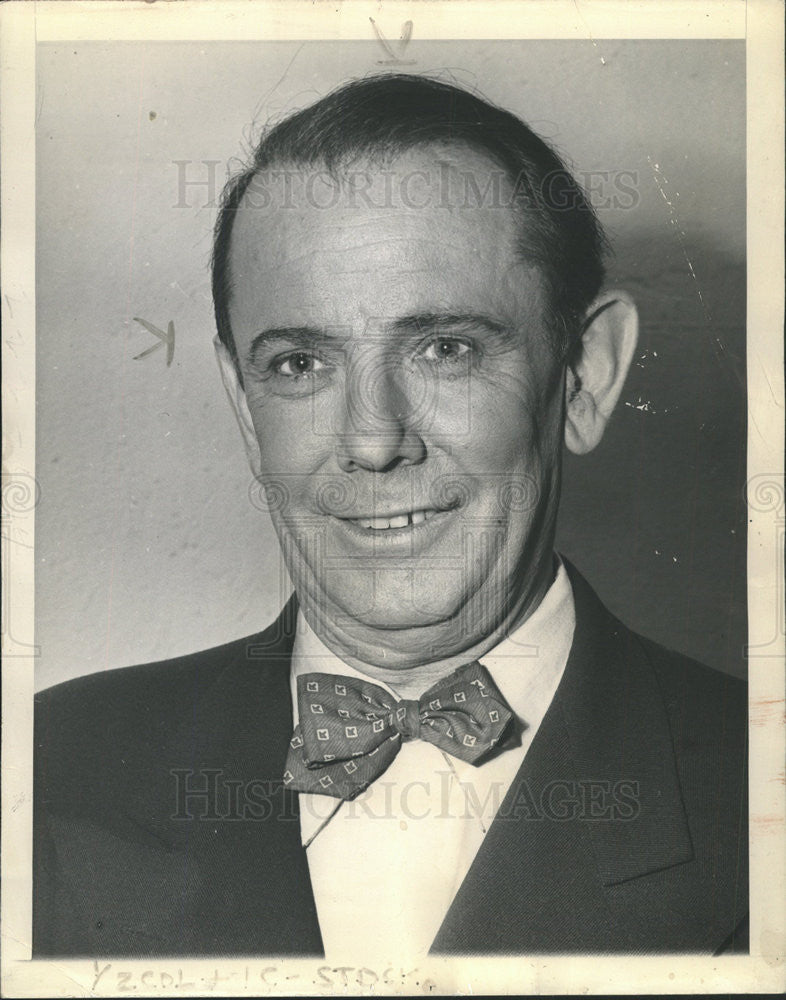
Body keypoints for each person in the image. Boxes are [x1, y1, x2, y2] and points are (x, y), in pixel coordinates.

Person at [34, 73, 747, 958]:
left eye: (445, 350)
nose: (374, 441)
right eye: (299, 364)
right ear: (245, 404)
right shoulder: (45, 771)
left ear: (585, 374)